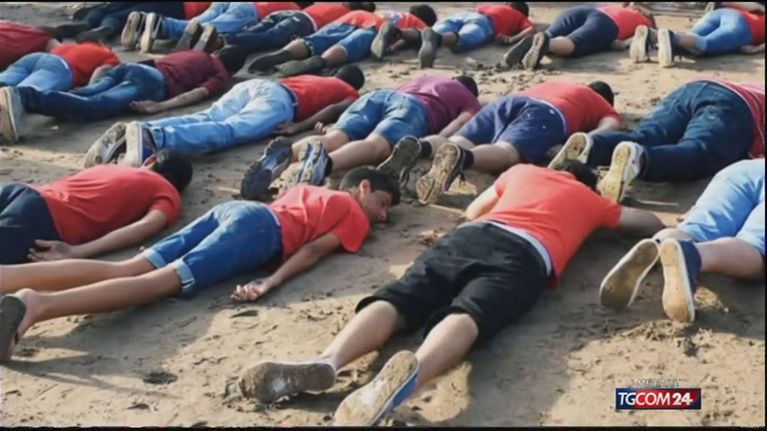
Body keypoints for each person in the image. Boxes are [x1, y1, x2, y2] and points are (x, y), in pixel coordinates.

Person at [233, 162, 664, 426]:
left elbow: (474, 210)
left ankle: (328, 361)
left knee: (402, 296)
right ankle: (410, 378)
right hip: (526, 254)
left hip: (472, 235)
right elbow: (644, 223)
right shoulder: (591, 200)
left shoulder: (521, 172)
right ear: (584, 182)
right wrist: (603, 215)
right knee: (470, 313)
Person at [0, 167, 399, 363]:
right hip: (259, 231)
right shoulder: (355, 213)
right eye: (383, 204)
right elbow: (313, 251)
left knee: (128, 267)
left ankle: (8, 278)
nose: (382, 216)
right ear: (363, 187)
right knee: (158, 284)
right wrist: (271, 282)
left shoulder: (313, 189)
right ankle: (37, 305)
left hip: (236, 210)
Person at [239, 75, 480, 201]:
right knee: (375, 146)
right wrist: (436, 141)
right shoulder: (469, 99)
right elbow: (460, 123)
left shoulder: (425, 78)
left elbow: (396, 95)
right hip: (416, 109)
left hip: (378, 96)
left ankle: (285, 155)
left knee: (335, 137)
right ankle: (326, 164)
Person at [85, 65, 365, 173]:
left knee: (206, 116)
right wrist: (299, 127)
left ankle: (142, 130)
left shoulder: (318, 78)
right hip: (281, 102)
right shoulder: (350, 92)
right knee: (229, 130)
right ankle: (156, 138)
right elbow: (334, 109)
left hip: (260, 85)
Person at [384, 80, 620, 205]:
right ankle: (464, 158)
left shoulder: (558, 83)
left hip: (507, 101)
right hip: (548, 113)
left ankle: (422, 147)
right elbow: (608, 127)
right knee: (507, 152)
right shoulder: (600, 102)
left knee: (457, 140)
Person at [548, 78, 764, 203]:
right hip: (737, 105)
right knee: (698, 151)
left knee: (646, 136)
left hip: (695, 88)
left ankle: (593, 146)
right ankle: (641, 160)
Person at [600, 159, 764, 323]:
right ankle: (693, 255)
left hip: (740, 171)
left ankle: (660, 243)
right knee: (754, 246)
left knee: (695, 230)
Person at [0, 47, 246, 144]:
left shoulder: (196, 53)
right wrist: (160, 107)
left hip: (135, 68)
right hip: (152, 82)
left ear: (219, 51)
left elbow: (154, 61)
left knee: (83, 95)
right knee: (92, 106)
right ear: (233, 70)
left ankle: (16, 104)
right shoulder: (220, 74)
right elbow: (197, 93)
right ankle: (25, 97)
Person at [0, 150, 191, 266]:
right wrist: (77, 251)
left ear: (150, 161)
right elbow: (147, 225)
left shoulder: (112, 168)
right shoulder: (167, 191)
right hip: (47, 217)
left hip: (23, 191)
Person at [246, 6, 437, 76]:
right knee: (348, 45)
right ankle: (322, 61)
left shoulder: (387, 11)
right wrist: (393, 48)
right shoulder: (418, 23)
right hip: (376, 28)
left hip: (354, 16)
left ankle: (286, 53)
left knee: (317, 39)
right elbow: (414, 37)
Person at [503, 3, 655, 70]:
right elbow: (641, 36)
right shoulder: (644, 22)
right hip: (607, 24)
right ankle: (549, 44)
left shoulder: (616, 7)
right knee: (573, 43)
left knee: (550, 33)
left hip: (581, 10)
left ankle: (537, 41)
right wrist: (624, 43)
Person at [125, 2, 311, 54]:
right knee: (207, 29)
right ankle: (162, 24)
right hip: (249, 10)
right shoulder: (293, 8)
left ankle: (145, 21)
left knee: (199, 21)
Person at [210, 2, 377, 56]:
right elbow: (329, 31)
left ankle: (220, 38)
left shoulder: (329, 4)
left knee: (253, 32)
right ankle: (221, 41)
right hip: (303, 22)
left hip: (288, 14)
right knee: (267, 38)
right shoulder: (350, 15)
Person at [630, 1, 765, 67]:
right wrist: (757, 49)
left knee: (689, 43)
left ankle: (652, 35)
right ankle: (671, 37)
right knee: (705, 45)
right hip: (746, 26)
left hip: (719, 13)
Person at [418, 2, 534, 68]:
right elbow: (531, 29)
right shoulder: (520, 16)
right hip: (485, 22)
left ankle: (421, 36)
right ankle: (439, 38)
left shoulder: (491, 5)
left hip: (465, 14)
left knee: (439, 29)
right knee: (463, 40)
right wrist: (512, 39)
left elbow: (477, 8)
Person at [53, 2, 209, 43]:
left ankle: (89, 22)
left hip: (184, 6)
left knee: (111, 7)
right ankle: (105, 28)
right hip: (184, 7)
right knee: (123, 14)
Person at [0, 42, 120, 93]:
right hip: (60, 65)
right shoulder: (109, 55)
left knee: (5, 81)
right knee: (23, 93)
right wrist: (88, 90)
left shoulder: (71, 45)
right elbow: (101, 71)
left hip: (35, 57)